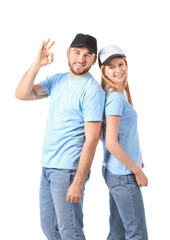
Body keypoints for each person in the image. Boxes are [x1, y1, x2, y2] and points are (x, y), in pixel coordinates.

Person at [15, 33, 105, 240]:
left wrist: (78, 182)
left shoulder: (92, 91)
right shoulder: (57, 80)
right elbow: (21, 94)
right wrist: (37, 64)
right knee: (50, 228)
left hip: (68, 171)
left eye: (88, 55)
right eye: (77, 52)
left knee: (70, 232)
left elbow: (92, 141)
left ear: (93, 60)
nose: (81, 59)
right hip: (48, 167)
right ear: (68, 53)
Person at [98, 45, 148, 240]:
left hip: (116, 172)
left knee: (117, 233)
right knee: (137, 234)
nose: (118, 70)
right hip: (124, 176)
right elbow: (111, 143)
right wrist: (137, 170)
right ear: (103, 71)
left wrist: (136, 158)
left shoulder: (115, 96)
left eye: (121, 64)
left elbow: (122, 136)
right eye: (111, 66)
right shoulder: (116, 99)